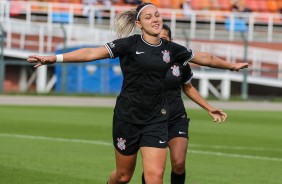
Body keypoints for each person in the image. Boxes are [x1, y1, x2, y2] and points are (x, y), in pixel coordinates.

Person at [27, 3, 249, 184]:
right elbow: (92, 52)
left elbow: (206, 58)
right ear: (138, 23)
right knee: (123, 177)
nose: (155, 19)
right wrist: (54, 58)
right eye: (149, 17)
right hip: (128, 118)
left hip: (157, 119)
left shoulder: (172, 49)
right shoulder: (129, 44)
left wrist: (230, 66)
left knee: (155, 177)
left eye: (157, 15)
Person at [141, 24, 231, 184]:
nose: (160, 41)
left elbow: (188, 88)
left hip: (176, 118)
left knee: (179, 164)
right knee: (154, 170)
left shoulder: (180, 62)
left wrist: (209, 108)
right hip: (151, 120)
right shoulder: (144, 61)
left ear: (170, 40)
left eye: (164, 38)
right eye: (157, 38)